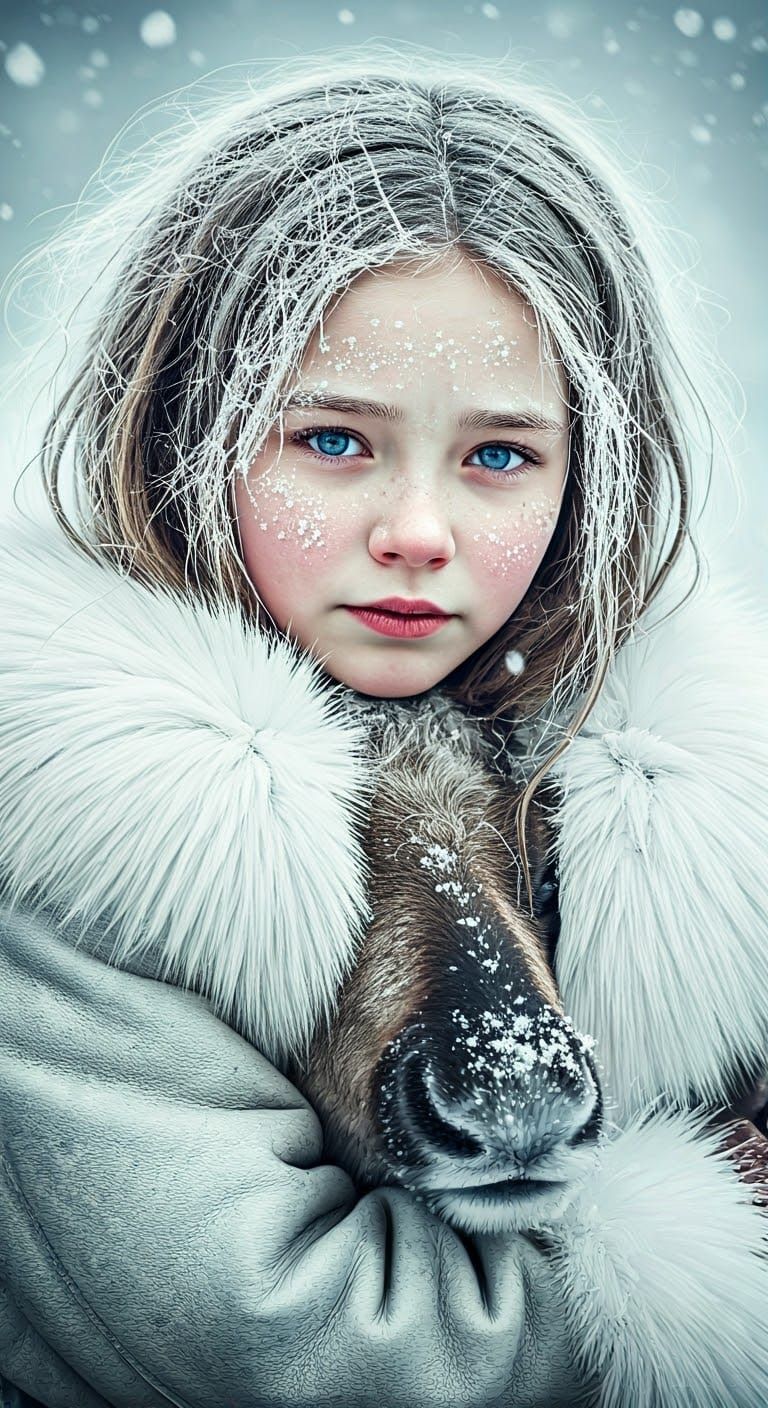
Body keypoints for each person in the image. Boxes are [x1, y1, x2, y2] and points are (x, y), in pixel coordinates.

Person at [0, 45, 766, 1408]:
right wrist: (720, 1251)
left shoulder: (690, 799)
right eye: (335, 442)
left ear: (586, 475)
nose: (417, 534)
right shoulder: (66, 845)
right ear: (186, 432)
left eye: (498, 457)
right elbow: (278, 1330)